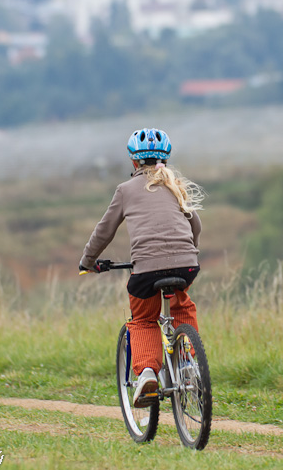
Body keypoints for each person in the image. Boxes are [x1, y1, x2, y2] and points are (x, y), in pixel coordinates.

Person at [79, 128, 204, 407]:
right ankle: (186, 364)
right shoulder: (175, 184)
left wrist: (87, 261)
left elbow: (104, 231)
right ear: (165, 160)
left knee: (144, 318)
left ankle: (147, 372)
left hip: (146, 270)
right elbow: (196, 225)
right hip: (186, 264)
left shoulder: (125, 190)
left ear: (134, 162)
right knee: (182, 303)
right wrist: (189, 251)